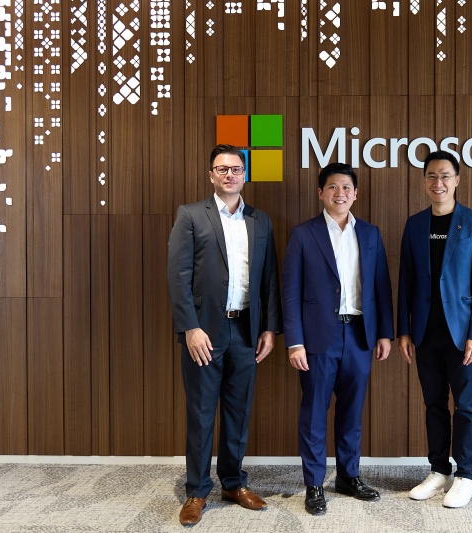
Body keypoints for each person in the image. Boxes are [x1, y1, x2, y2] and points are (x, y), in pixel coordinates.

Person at [167, 144, 282, 526]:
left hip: (246, 330)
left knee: (238, 410)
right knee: (201, 413)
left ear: (244, 175)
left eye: (235, 169)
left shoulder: (260, 220)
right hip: (205, 332)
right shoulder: (190, 215)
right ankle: (197, 491)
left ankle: (233, 483)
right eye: (222, 169)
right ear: (211, 175)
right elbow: (178, 276)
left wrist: (270, 328)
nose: (229, 175)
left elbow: (269, 278)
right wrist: (190, 327)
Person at [283, 162, 394, 516]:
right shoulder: (304, 234)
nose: (340, 193)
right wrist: (294, 342)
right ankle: (314, 483)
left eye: (346, 187)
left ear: (355, 193)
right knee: (314, 411)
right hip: (318, 337)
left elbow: (381, 286)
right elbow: (290, 291)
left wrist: (385, 333)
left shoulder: (370, 234)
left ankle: (348, 476)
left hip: (360, 334)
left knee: (352, 411)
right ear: (321, 193)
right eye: (332, 187)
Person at [397, 150, 472, 508]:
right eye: (431, 176)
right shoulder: (415, 224)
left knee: (466, 405)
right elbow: (406, 280)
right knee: (433, 404)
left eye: (445, 176)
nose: (438, 183)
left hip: (463, 334)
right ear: (424, 181)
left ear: (456, 180)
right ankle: (439, 470)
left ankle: (466, 475)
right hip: (425, 332)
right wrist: (403, 331)